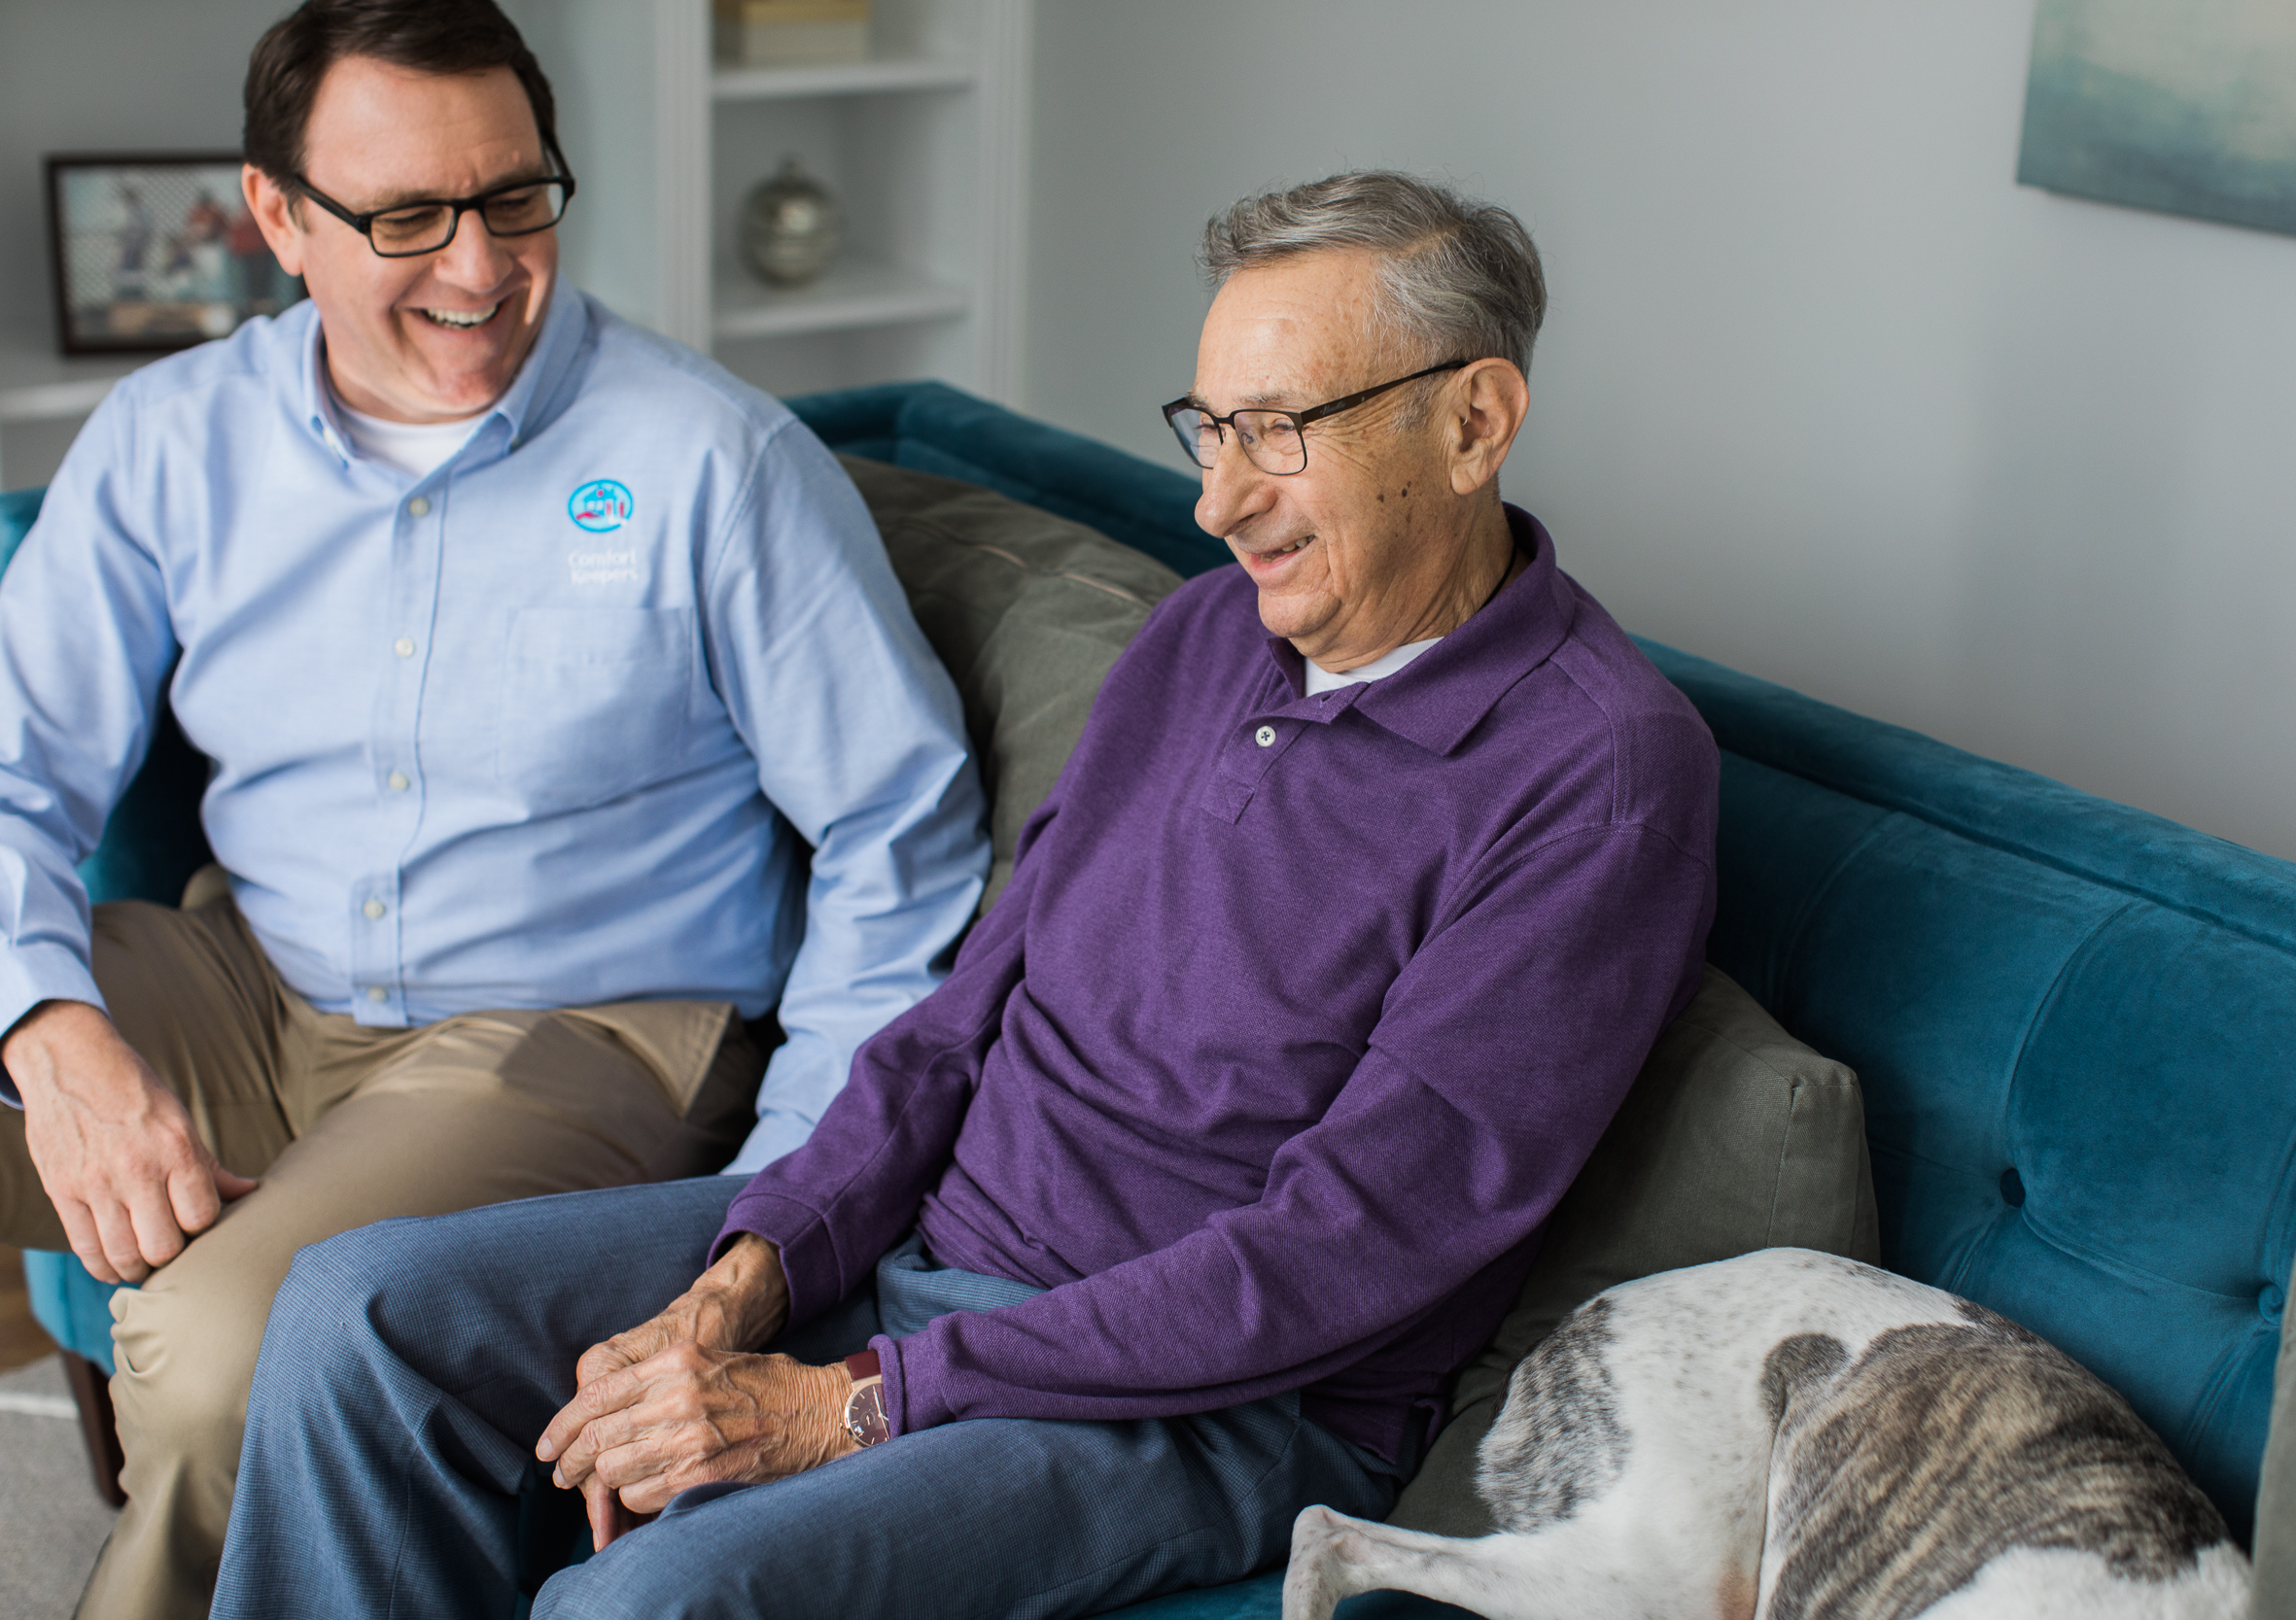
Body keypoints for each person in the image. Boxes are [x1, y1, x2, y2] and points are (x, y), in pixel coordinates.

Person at [208, 171, 1722, 1620]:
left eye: (1278, 432)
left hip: (1213, 1402)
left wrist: (856, 1401)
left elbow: (1347, 1243)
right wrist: (752, 1274)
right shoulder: (1208, 638)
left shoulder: (1600, 775)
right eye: (1209, 428)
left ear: (1474, 422)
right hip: (920, 1254)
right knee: (360, 1315)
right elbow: (959, 1019)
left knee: (648, 1600)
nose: (1218, 503)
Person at [0, 3, 989, 1616]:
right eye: (404, 217)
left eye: (514, 199)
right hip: (251, 977)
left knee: (213, 1359)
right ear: (276, 220)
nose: (475, 265)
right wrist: (52, 1031)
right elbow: (10, 771)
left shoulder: (712, 464)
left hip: (572, 1036)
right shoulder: (173, 442)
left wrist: (790, 1212)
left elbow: (906, 835)